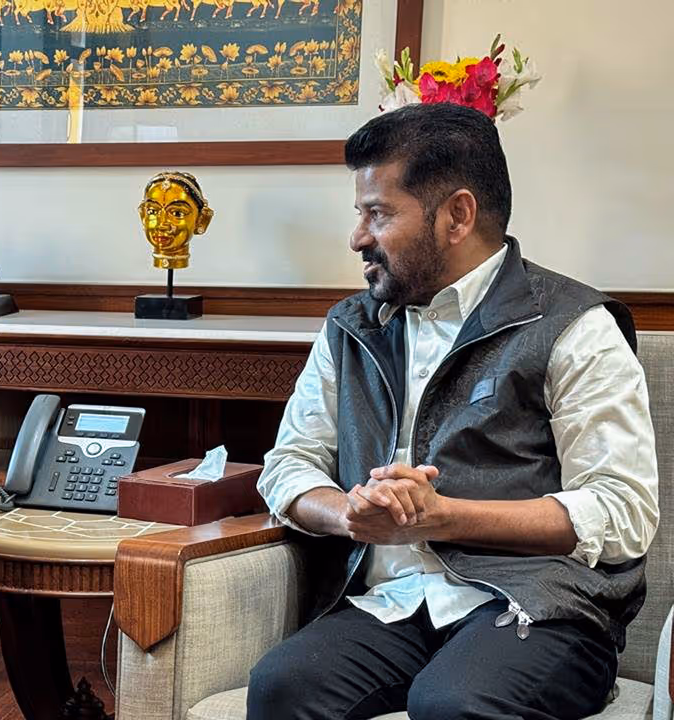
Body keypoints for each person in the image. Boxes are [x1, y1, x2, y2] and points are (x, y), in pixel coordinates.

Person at [248, 103, 658, 720]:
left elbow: (623, 510)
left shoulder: (576, 325)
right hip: (392, 603)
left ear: (457, 215)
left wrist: (441, 518)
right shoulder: (349, 327)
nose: (357, 236)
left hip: (538, 609)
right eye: (359, 213)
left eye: (378, 213)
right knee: (283, 686)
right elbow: (289, 463)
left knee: (451, 704)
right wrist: (350, 514)